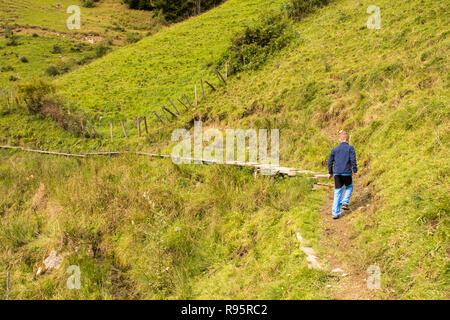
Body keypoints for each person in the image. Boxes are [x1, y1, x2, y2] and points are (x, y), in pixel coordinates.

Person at [327, 131, 358, 219]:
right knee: (349, 187)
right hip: (347, 172)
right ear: (348, 140)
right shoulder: (350, 148)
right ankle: (345, 202)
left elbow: (330, 162)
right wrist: (355, 171)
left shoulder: (335, 149)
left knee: (337, 191)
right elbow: (353, 160)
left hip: (337, 173)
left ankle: (335, 213)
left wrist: (330, 172)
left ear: (340, 139)